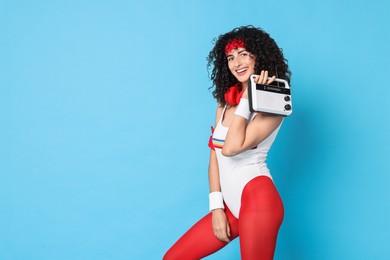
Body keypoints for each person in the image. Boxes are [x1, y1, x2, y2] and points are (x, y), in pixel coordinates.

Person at [163, 25, 291, 260]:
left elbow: (231, 148)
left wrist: (248, 98)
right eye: (231, 57)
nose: (237, 63)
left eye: (244, 54)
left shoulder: (272, 102)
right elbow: (215, 155)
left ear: (259, 56)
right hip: (231, 205)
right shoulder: (225, 100)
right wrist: (216, 208)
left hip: (258, 200)